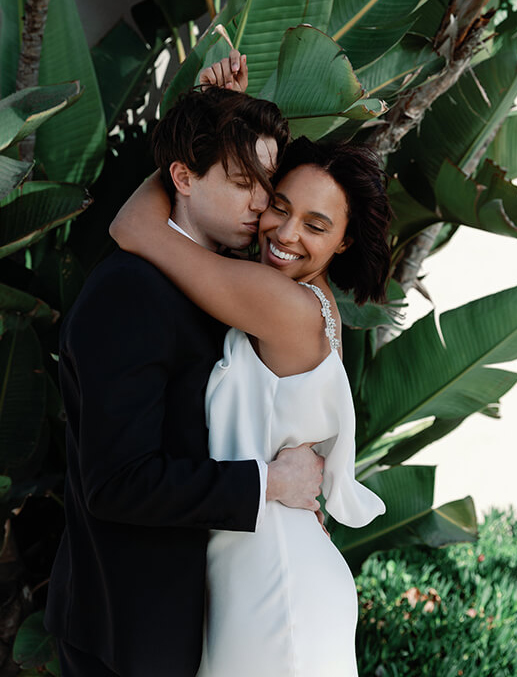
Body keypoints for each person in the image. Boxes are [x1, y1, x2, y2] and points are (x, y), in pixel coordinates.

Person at [44, 73, 326, 677]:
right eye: (241, 182)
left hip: (190, 619)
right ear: (182, 177)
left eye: (266, 186)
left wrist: (213, 111)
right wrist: (267, 485)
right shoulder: (129, 292)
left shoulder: (212, 280)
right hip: (127, 634)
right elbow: (116, 482)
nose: (261, 205)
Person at [109, 91, 392, 675]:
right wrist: (221, 116)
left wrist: (191, 153)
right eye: (278, 204)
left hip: (275, 575)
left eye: (315, 225)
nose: (284, 232)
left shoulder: (280, 304)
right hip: (264, 556)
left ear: (342, 242)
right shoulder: (301, 298)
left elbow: (135, 225)